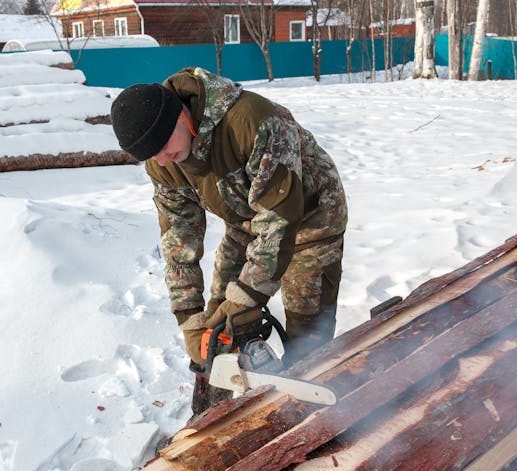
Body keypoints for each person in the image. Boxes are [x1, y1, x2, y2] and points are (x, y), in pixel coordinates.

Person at [111, 67, 347, 414]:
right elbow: (179, 241)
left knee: (305, 332)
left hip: (312, 220)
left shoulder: (253, 122)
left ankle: (307, 416)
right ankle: (211, 419)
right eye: (151, 155)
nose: (161, 159)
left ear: (180, 114)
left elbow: (279, 222)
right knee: (218, 324)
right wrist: (189, 318)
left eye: (163, 146)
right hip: (246, 222)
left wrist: (248, 297)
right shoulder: (163, 162)